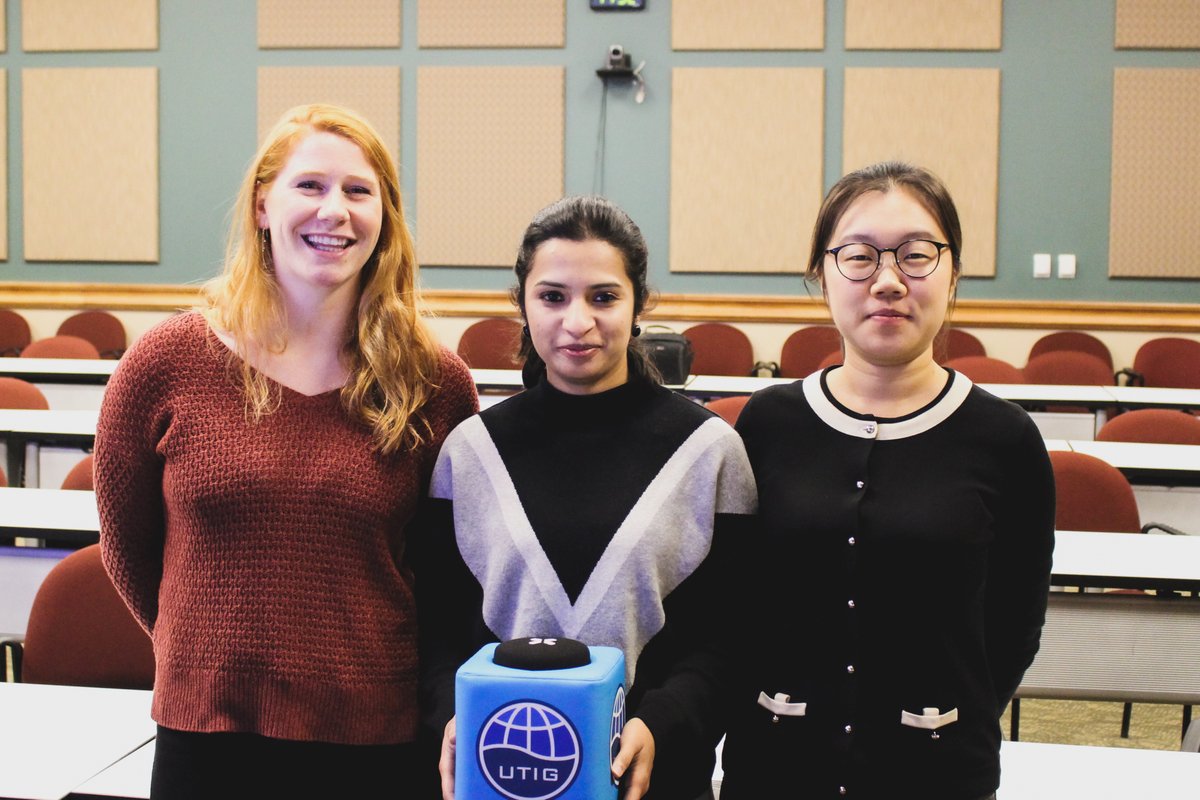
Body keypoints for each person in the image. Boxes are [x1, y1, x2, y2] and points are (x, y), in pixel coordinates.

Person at [95, 103, 478, 799]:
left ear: (385, 217)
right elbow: (129, 548)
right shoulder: (165, 362)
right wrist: (205, 657)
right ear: (262, 205)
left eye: (359, 191)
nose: (335, 210)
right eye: (310, 185)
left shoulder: (434, 383)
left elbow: (449, 579)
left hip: (378, 742)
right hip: (206, 737)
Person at [719, 162, 1055, 800]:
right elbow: (736, 603)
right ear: (822, 276)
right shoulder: (768, 423)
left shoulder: (1004, 438)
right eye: (859, 256)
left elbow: (1014, 625)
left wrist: (949, 711)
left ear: (953, 275)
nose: (889, 280)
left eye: (917, 255)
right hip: (777, 765)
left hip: (936, 772)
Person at [413, 196, 757, 800]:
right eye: (552, 297)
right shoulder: (469, 452)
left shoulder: (710, 452)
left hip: (656, 782)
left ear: (638, 304)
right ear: (522, 304)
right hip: (501, 770)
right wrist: (451, 716)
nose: (577, 321)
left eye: (603, 297)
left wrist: (662, 724)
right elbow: (436, 627)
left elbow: (730, 637)